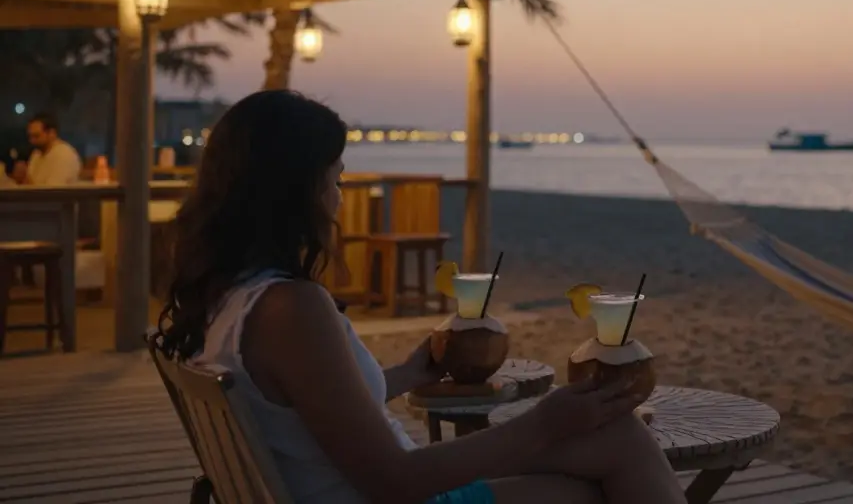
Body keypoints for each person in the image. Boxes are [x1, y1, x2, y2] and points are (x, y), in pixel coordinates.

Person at [156, 90, 685, 504]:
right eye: (335, 180)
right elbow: (398, 482)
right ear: (296, 191)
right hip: (392, 496)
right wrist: (545, 422)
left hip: (349, 488)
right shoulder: (290, 309)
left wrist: (407, 376)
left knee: (601, 463)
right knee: (613, 458)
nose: (339, 198)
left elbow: (308, 412)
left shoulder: (229, 298)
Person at [19, 113, 83, 186]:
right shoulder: (36, 154)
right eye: (30, 136)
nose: (32, 141)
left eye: (36, 136)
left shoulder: (64, 155)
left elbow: (52, 192)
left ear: (52, 133)